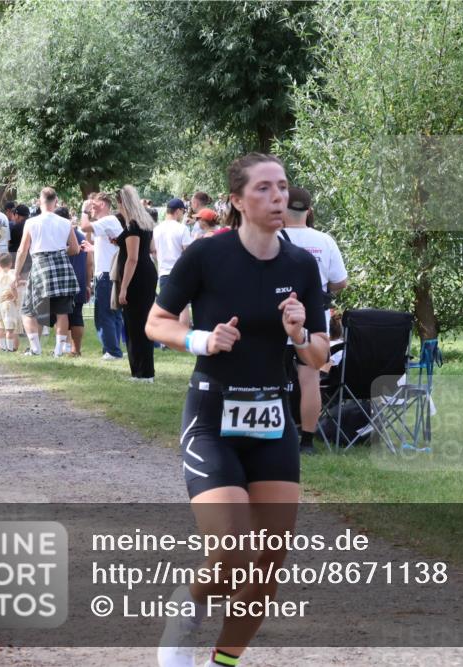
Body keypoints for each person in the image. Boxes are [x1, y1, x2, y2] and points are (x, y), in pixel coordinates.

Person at [146, 153, 328, 667]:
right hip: (212, 420)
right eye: (264, 188)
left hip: (273, 422)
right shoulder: (208, 255)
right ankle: (190, 604)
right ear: (237, 200)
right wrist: (201, 339)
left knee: (267, 562)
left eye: (283, 187)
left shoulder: (301, 265)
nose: (278, 197)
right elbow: (156, 322)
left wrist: (298, 334)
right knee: (232, 552)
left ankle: (223, 661)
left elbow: (319, 356)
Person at [281, 186, 348, 454]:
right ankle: (307, 440)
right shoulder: (324, 240)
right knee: (309, 378)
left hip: (281, 313)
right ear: (309, 211)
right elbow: (340, 282)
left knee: (271, 375)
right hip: (314, 315)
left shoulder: (272, 237)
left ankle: (273, 432)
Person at [14, 187, 80, 357]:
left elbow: (22, 250)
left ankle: (35, 349)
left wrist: (16, 273)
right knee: (62, 312)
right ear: (55, 201)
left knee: (28, 310)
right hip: (62, 266)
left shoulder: (31, 222)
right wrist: (59, 253)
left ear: (39, 202)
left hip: (40, 265)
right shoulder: (66, 222)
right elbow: (75, 249)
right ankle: (58, 351)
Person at [115, 185, 158, 382]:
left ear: (122, 203)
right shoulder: (146, 223)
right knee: (142, 323)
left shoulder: (132, 226)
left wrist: (123, 288)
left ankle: (141, 372)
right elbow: (151, 248)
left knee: (134, 325)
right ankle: (145, 371)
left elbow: (132, 259)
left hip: (136, 277)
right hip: (147, 273)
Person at [79, 192, 125, 361]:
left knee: (104, 314)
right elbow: (113, 247)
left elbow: (84, 227)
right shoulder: (110, 222)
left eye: (94, 205)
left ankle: (112, 351)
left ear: (103, 205)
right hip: (111, 273)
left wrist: (83, 210)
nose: (91, 208)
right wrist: (93, 249)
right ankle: (114, 348)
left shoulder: (108, 220)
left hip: (106, 275)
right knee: (114, 314)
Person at [57, 206, 93, 356]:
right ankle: (76, 350)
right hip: (79, 280)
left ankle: (61, 348)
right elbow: (89, 262)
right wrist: (88, 284)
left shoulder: (58, 236)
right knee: (77, 314)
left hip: (62, 280)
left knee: (61, 314)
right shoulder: (81, 237)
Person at [153, 198, 194, 326]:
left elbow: (153, 251)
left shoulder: (157, 229)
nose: (183, 215)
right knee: (183, 308)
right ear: (178, 211)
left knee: (167, 310)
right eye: (183, 211)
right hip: (180, 272)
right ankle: (183, 334)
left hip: (164, 273)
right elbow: (188, 252)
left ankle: (168, 335)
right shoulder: (182, 228)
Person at [0, 252, 21, 352]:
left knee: (0, 328)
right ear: (11, 263)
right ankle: (10, 348)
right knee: (10, 329)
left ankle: (3, 348)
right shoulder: (13, 274)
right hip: (9, 304)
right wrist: (15, 296)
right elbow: (14, 286)